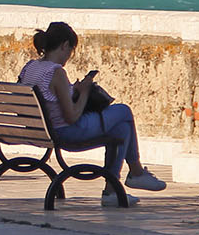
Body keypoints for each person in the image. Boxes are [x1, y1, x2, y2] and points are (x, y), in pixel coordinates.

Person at [17, 20, 167, 204]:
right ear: (65, 46)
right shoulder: (56, 72)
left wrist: (74, 90)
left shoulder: (30, 68)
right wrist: (85, 92)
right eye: (71, 51)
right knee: (124, 112)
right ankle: (135, 172)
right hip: (66, 133)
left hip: (40, 131)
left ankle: (112, 192)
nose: (69, 57)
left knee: (122, 130)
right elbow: (71, 116)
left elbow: (51, 99)